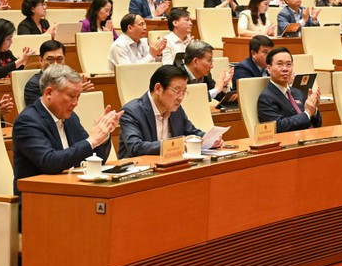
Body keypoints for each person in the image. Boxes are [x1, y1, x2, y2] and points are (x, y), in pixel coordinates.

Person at [12, 63, 121, 195]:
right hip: (39, 199)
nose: (76, 103)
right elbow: (49, 162)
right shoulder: (28, 121)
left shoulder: (71, 118)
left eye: (78, 97)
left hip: (71, 191)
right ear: (49, 92)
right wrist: (92, 140)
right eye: (71, 96)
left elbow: (95, 158)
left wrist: (102, 136)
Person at [118, 65, 214, 158]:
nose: (181, 98)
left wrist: (209, 139)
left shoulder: (176, 109)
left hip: (171, 167)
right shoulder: (132, 112)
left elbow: (191, 132)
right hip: (140, 169)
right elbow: (136, 147)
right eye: (176, 91)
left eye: (184, 92)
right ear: (158, 89)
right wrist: (177, 145)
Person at [257, 47, 322, 132]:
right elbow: (277, 126)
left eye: (288, 64)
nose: (285, 69)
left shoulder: (298, 92)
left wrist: (314, 109)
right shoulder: (266, 97)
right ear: (269, 69)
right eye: (280, 64)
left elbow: (317, 124)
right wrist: (307, 113)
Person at [23, 39, 79, 107]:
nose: (55, 64)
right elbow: (38, 112)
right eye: (50, 59)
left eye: (59, 59)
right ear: (40, 60)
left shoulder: (70, 81)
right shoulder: (33, 85)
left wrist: (77, 92)